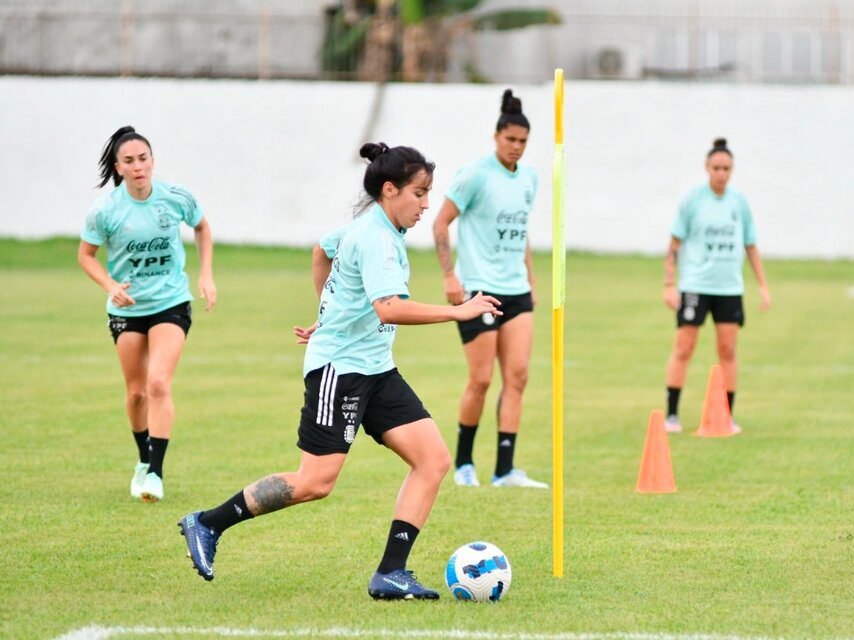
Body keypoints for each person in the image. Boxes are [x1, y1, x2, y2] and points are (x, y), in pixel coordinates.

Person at [178, 142, 502, 600]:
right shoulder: (375, 238)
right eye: (419, 193)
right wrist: (458, 311)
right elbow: (389, 308)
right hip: (341, 370)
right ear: (389, 190)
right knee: (315, 482)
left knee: (432, 460)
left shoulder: (377, 227)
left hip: (376, 368)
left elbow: (321, 252)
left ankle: (391, 572)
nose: (427, 204)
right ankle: (208, 523)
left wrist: (331, 313)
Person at [78, 126, 216, 502]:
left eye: (143, 158)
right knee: (137, 393)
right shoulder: (105, 210)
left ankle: (155, 472)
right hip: (127, 308)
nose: (138, 166)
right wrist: (110, 286)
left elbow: (202, 228)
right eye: (129, 161)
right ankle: (143, 459)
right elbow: (85, 256)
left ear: (152, 160)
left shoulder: (175, 197)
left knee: (158, 383)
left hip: (171, 302)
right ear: (118, 168)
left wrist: (205, 275)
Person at [432, 89, 546, 489]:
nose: (516, 147)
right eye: (510, 139)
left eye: (523, 141)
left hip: (516, 291)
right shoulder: (475, 175)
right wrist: (450, 276)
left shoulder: (530, 178)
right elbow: (440, 223)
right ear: (496, 136)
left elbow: (521, 231)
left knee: (518, 377)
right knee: (481, 379)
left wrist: (531, 280)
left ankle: (505, 470)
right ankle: (464, 463)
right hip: (478, 290)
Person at [662, 137, 771, 433]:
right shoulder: (693, 201)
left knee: (727, 350)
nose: (721, 174)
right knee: (684, 347)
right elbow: (674, 245)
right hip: (696, 286)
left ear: (732, 170)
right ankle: (672, 414)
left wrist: (763, 286)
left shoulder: (739, 203)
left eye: (726, 169)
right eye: (716, 168)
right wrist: (669, 284)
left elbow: (751, 246)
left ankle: (727, 416)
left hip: (729, 288)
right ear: (706, 167)